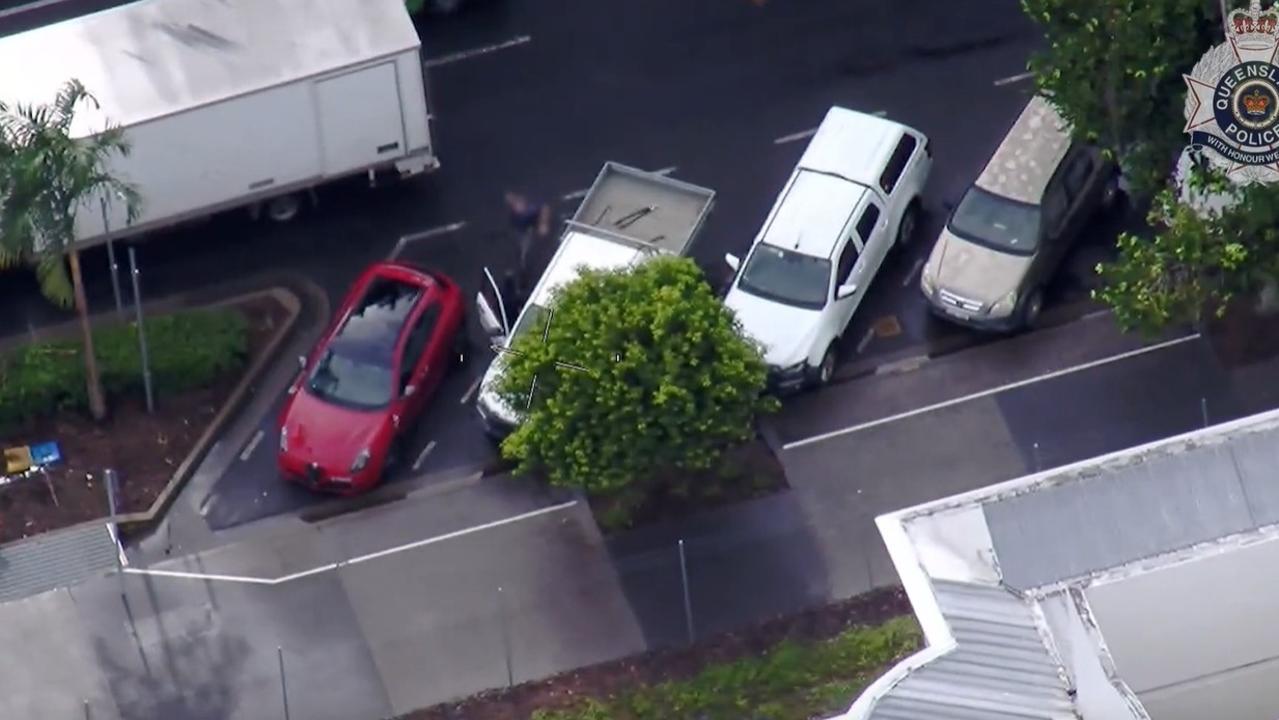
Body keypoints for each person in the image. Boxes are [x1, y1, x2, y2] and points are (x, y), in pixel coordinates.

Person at [504, 191, 553, 297]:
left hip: (525, 233)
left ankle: (524, 274)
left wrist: (543, 224)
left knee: (524, 253)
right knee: (521, 251)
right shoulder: (515, 212)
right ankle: (523, 268)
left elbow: (544, 208)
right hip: (519, 232)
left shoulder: (529, 211)